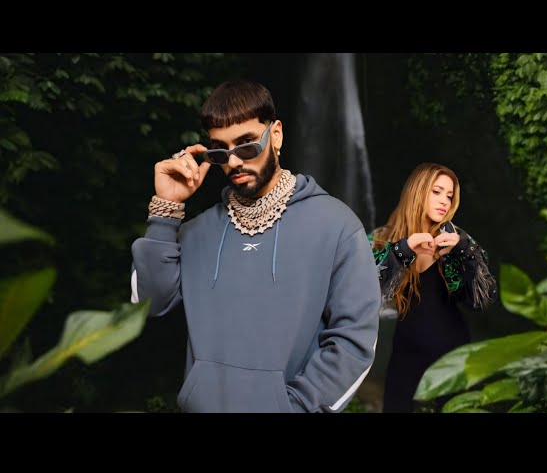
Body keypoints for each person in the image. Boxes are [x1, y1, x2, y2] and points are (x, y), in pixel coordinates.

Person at [130, 79, 380, 413]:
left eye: (246, 146)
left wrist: (294, 408)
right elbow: (147, 306)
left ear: (276, 134)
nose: (233, 162)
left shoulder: (337, 227)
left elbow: (355, 341)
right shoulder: (197, 232)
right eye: (220, 151)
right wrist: (166, 210)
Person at [370, 163, 497, 413]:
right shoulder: (383, 238)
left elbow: (482, 300)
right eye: (437, 192)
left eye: (449, 196)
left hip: (450, 352)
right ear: (417, 192)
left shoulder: (458, 240)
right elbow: (366, 295)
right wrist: (402, 251)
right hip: (405, 350)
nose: (444, 202)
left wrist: (464, 251)